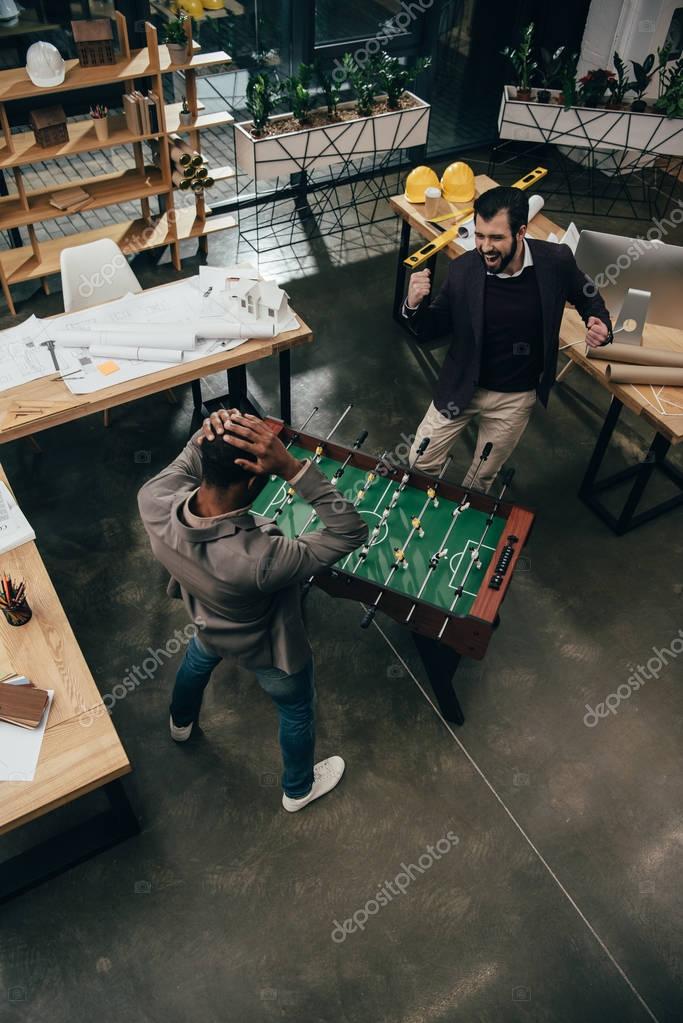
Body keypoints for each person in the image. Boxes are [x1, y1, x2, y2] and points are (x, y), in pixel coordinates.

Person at [137, 410, 368, 813]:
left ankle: (180, 723)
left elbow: (191, 456)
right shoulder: (263, 558)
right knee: (296, 708)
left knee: (195, 663)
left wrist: (216, 427)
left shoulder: (153, 499)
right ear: (253, 481)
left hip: (207, 622)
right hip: (269, 651)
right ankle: (298, 790)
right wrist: (294, 469)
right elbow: (350, 530)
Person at [403, 186, 613, 491]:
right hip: (463, 385)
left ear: (521, 232)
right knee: (419, 462)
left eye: (496, 238)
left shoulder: (556, 261)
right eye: (480, 235)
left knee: (480, 479)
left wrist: (600, 322)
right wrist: (413, 305)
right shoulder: (463, 269)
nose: (485, 247)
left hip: (515, 397)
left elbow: (587, 295)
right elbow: (432, 328)